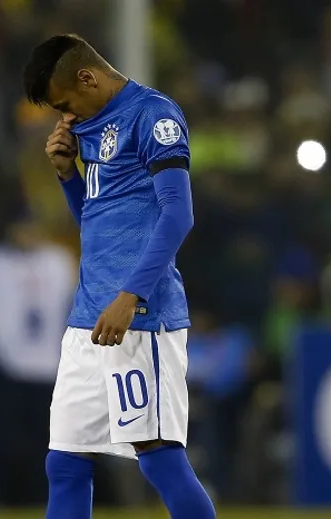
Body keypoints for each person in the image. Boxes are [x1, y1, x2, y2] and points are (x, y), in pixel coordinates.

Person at [23, 34, 215, 519]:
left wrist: (130, 296)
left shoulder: (155, 116)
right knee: (64, 464)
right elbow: (97, 223)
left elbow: (178, 215)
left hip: (139, 318)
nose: (65, 118)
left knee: (159, 458)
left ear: (87, 77)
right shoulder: (87, 128)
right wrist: (68, 175)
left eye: (65, 104)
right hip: (88, 317)